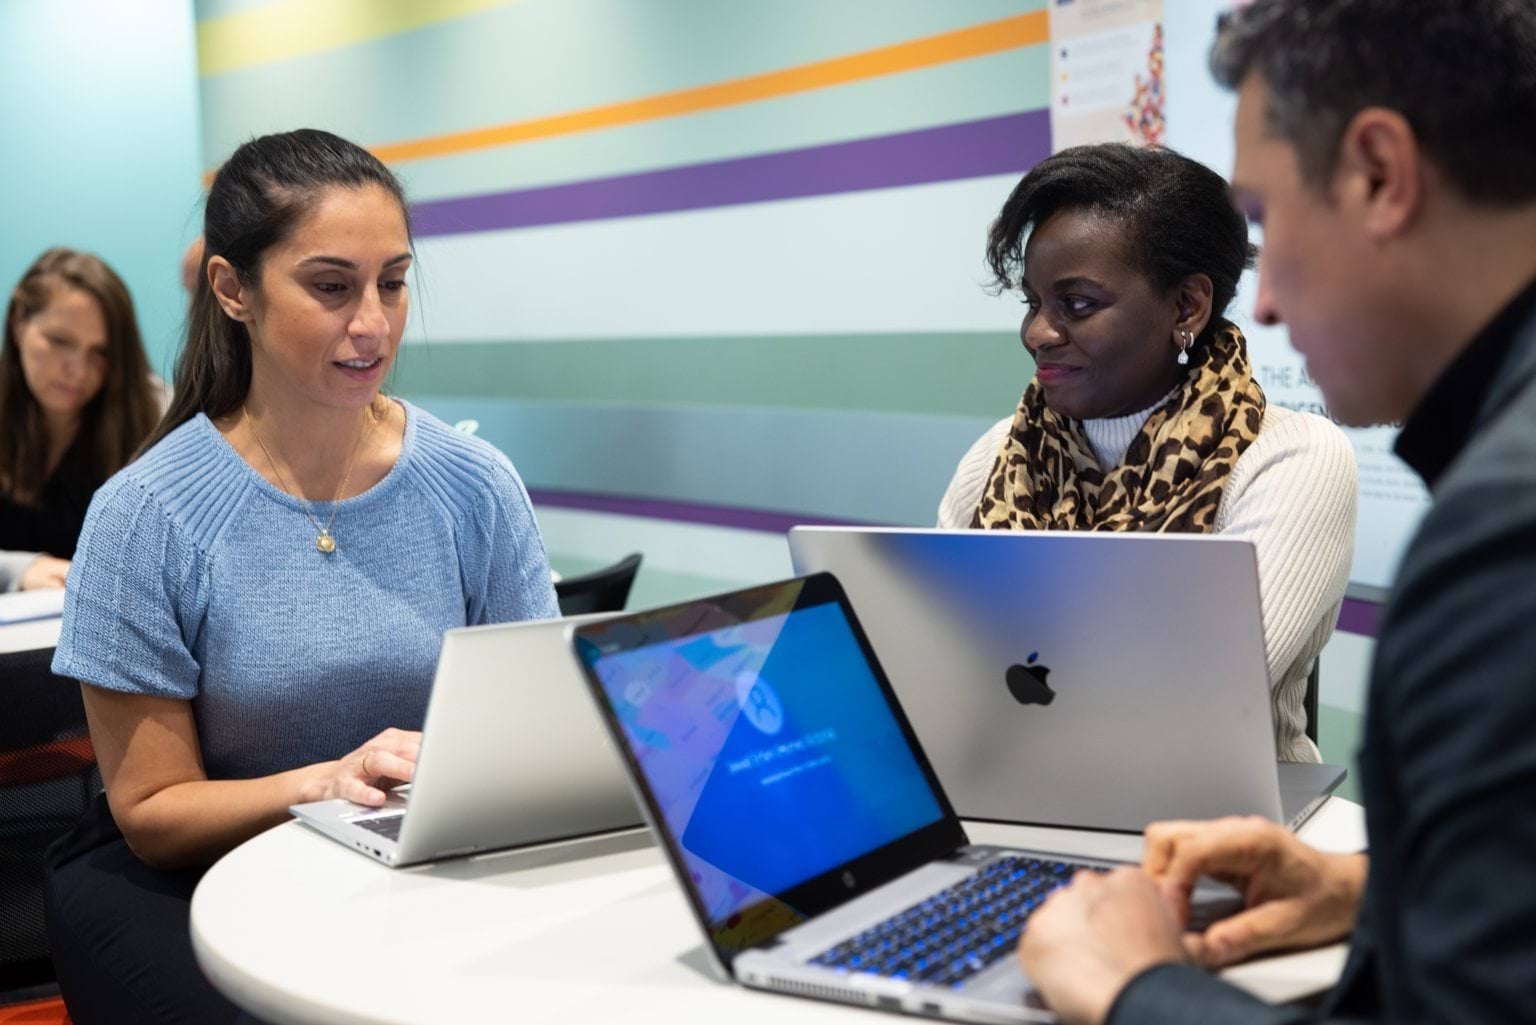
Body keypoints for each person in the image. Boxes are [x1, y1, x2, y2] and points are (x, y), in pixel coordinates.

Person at [1016, 1, 1536, 1023]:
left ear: (1379, 174)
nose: (1264, 306)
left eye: (1267, 219)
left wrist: (1137, 991)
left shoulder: (1505, 534)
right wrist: (1369, 888)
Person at [43, 129, 560, 1025]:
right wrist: (324, 781)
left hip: (418, 863)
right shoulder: (145, 514)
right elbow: (154, 811)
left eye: (393, 283)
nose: (373, 323)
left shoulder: (474, 486)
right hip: (196, 879)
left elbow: (544, 729)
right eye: (331, 286)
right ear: (232, 288)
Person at [939, 144, 1356, 762]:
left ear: (1186, 305)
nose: (1037, 334)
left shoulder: (1290, 459)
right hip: (1009, 797)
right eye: (1033, 302)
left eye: (1077, 304)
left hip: (1223, 828)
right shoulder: (999, 453)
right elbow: (937, 666)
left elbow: (1196, 697)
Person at [0, 249, 159, 591]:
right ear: (18, 322)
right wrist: (17, 570)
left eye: (100, 353)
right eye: (59, 341)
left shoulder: (152, 415)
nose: (78, 370)